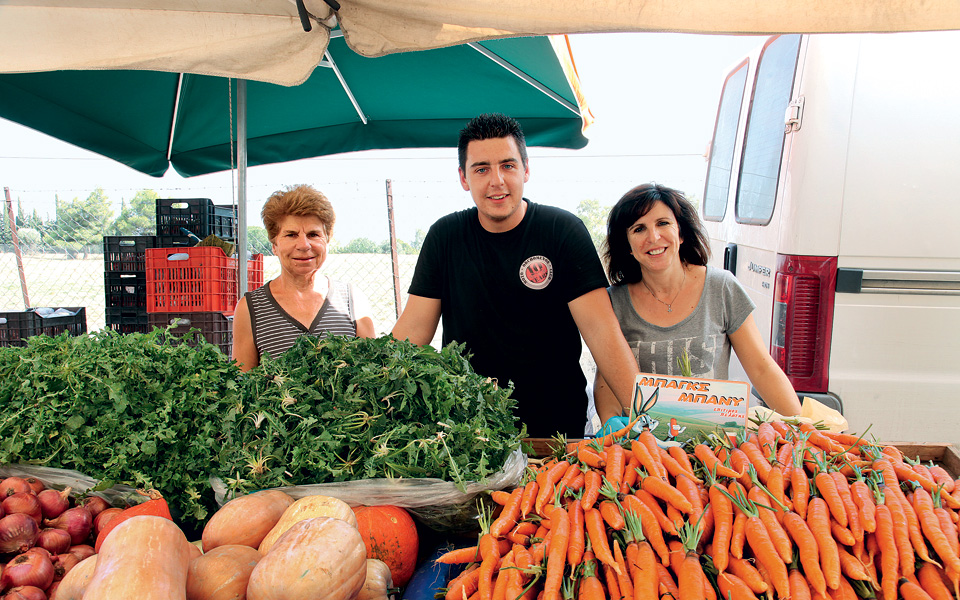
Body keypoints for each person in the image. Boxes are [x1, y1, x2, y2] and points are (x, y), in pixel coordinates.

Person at [391, 113, 639, 438]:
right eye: (481, 169)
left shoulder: (562, 231)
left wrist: (643, 416)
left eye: (508, 165)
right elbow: (412, 333)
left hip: (556, 425)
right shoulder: (445, 237)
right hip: (471, 428)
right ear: (464, 178)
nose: (497, 180)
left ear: (526, 169)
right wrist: (365, 399)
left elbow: (602, 333)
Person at [593, 183, 802, 427]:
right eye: (639, 229)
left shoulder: (721, 287)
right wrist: (614, 428)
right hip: (647, 444)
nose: (653, 237)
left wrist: (801, 427)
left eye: (663, 223)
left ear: (680, 233)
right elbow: (606, 382)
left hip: (716, 440)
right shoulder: (614, 302)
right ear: (627, 246)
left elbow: (761, 368)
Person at [232, 184, 376, 371]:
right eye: (291, 235)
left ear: (327, 240)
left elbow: (374, 372)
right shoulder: (250, 309)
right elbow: (244, 384)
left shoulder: (352, 300)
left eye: (313, 234)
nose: (304, 245)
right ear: (274, 245)